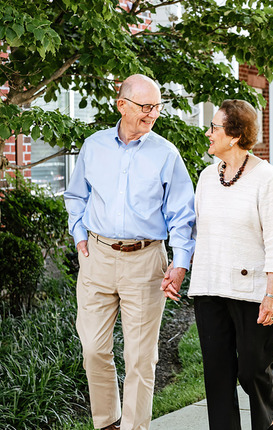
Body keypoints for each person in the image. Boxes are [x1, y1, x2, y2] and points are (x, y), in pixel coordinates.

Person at [64, 74, 196, 430]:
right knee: (93, 349)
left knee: (140, 359)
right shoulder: (94, 146)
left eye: (157, 107)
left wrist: (180, 263)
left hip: (146, 261)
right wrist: (79, 237)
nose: (153, 114)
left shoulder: (166, 153)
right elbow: (76, 196)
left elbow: (183, 214)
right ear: (122, 105)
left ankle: (135, 427)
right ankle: (107, 423)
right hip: (97, 257)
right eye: (146, 106)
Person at [163, 99, 273, 430]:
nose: (208, 132)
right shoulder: (206, 177)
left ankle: (267, 419)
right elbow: (194, 231)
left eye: (214, 127)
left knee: (252, 369)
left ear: (234, 135)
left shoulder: (265, 178)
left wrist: (272, 292)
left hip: (254, 291)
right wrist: (179, 268)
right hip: (210, 286)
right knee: (217, 373)